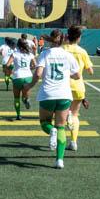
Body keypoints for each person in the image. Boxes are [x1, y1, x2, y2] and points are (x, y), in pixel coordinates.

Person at [32, 29, 80, 169]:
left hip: (48, 94)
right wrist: (68, 75)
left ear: (51, 40)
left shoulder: (45, 54)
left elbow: (39, 73)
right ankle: (59, 160)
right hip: (64, 94)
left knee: (45, 123)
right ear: (63, 39)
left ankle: (50, 131)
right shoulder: (68, 55)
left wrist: (29, 85)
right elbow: (77, 75)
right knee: (61, 127)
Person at [63, 24, 95, 151]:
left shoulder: (61, 49)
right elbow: (90, 71)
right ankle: (74, 142)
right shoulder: (82, 51)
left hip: (62, 86)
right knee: (75, 115)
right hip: (77, 86)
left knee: (58, 114)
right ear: (79, 37)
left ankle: (54, 139)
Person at [9, 37, 36, 120]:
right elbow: (35, 65)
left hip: (17, 76)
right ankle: (26, 99)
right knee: (25, 93)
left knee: (16, 98)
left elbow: (7, 64)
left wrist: (10, 71)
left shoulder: (15, 53)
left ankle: (18, 115)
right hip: (28, 76)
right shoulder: (30, 54)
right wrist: (29, 69)